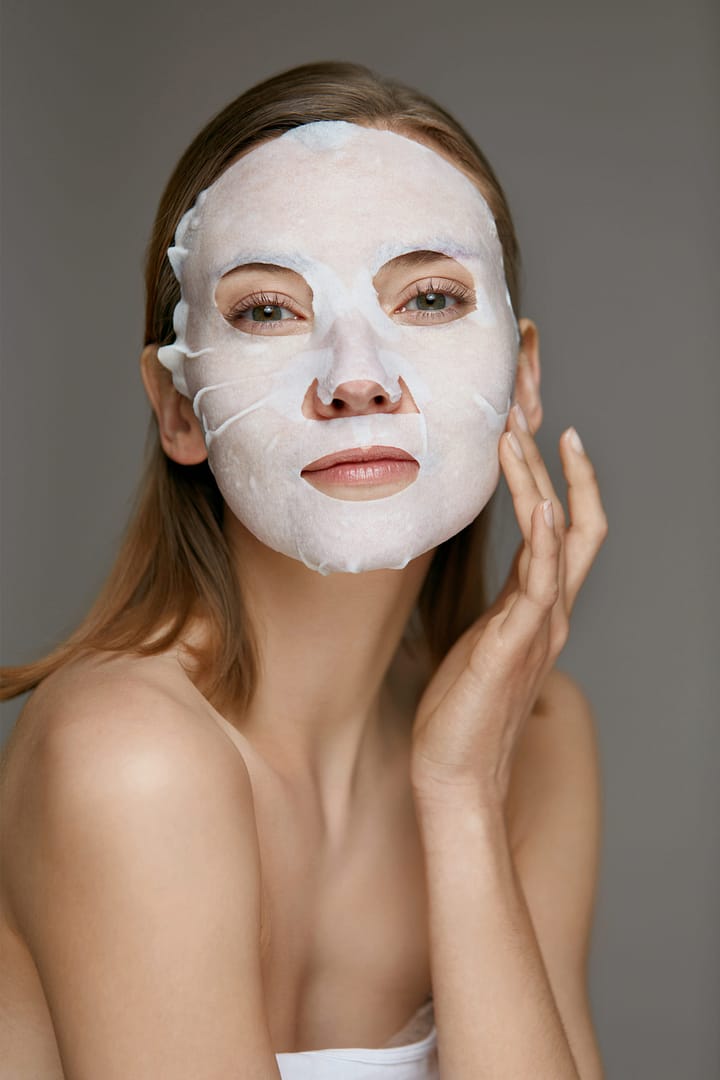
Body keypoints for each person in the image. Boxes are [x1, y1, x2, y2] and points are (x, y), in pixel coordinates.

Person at [0, 61, 607, 1079]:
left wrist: (459, 794)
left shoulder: (530, 741)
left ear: (521, 375)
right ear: (178, 407)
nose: (356, 377)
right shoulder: (128, 758)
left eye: (427, 297)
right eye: (269, 312)